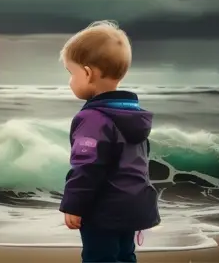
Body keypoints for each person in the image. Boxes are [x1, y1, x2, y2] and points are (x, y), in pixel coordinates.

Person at [58, 20, 160, 263]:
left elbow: (87, 166)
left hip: (104, 210)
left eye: (71, 74)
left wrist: (73, 205)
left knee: (99, 258)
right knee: (125, 256)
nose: (70, 81)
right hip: (133, 206)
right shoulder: (134, 115)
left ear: (88, 73)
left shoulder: (93, 118)